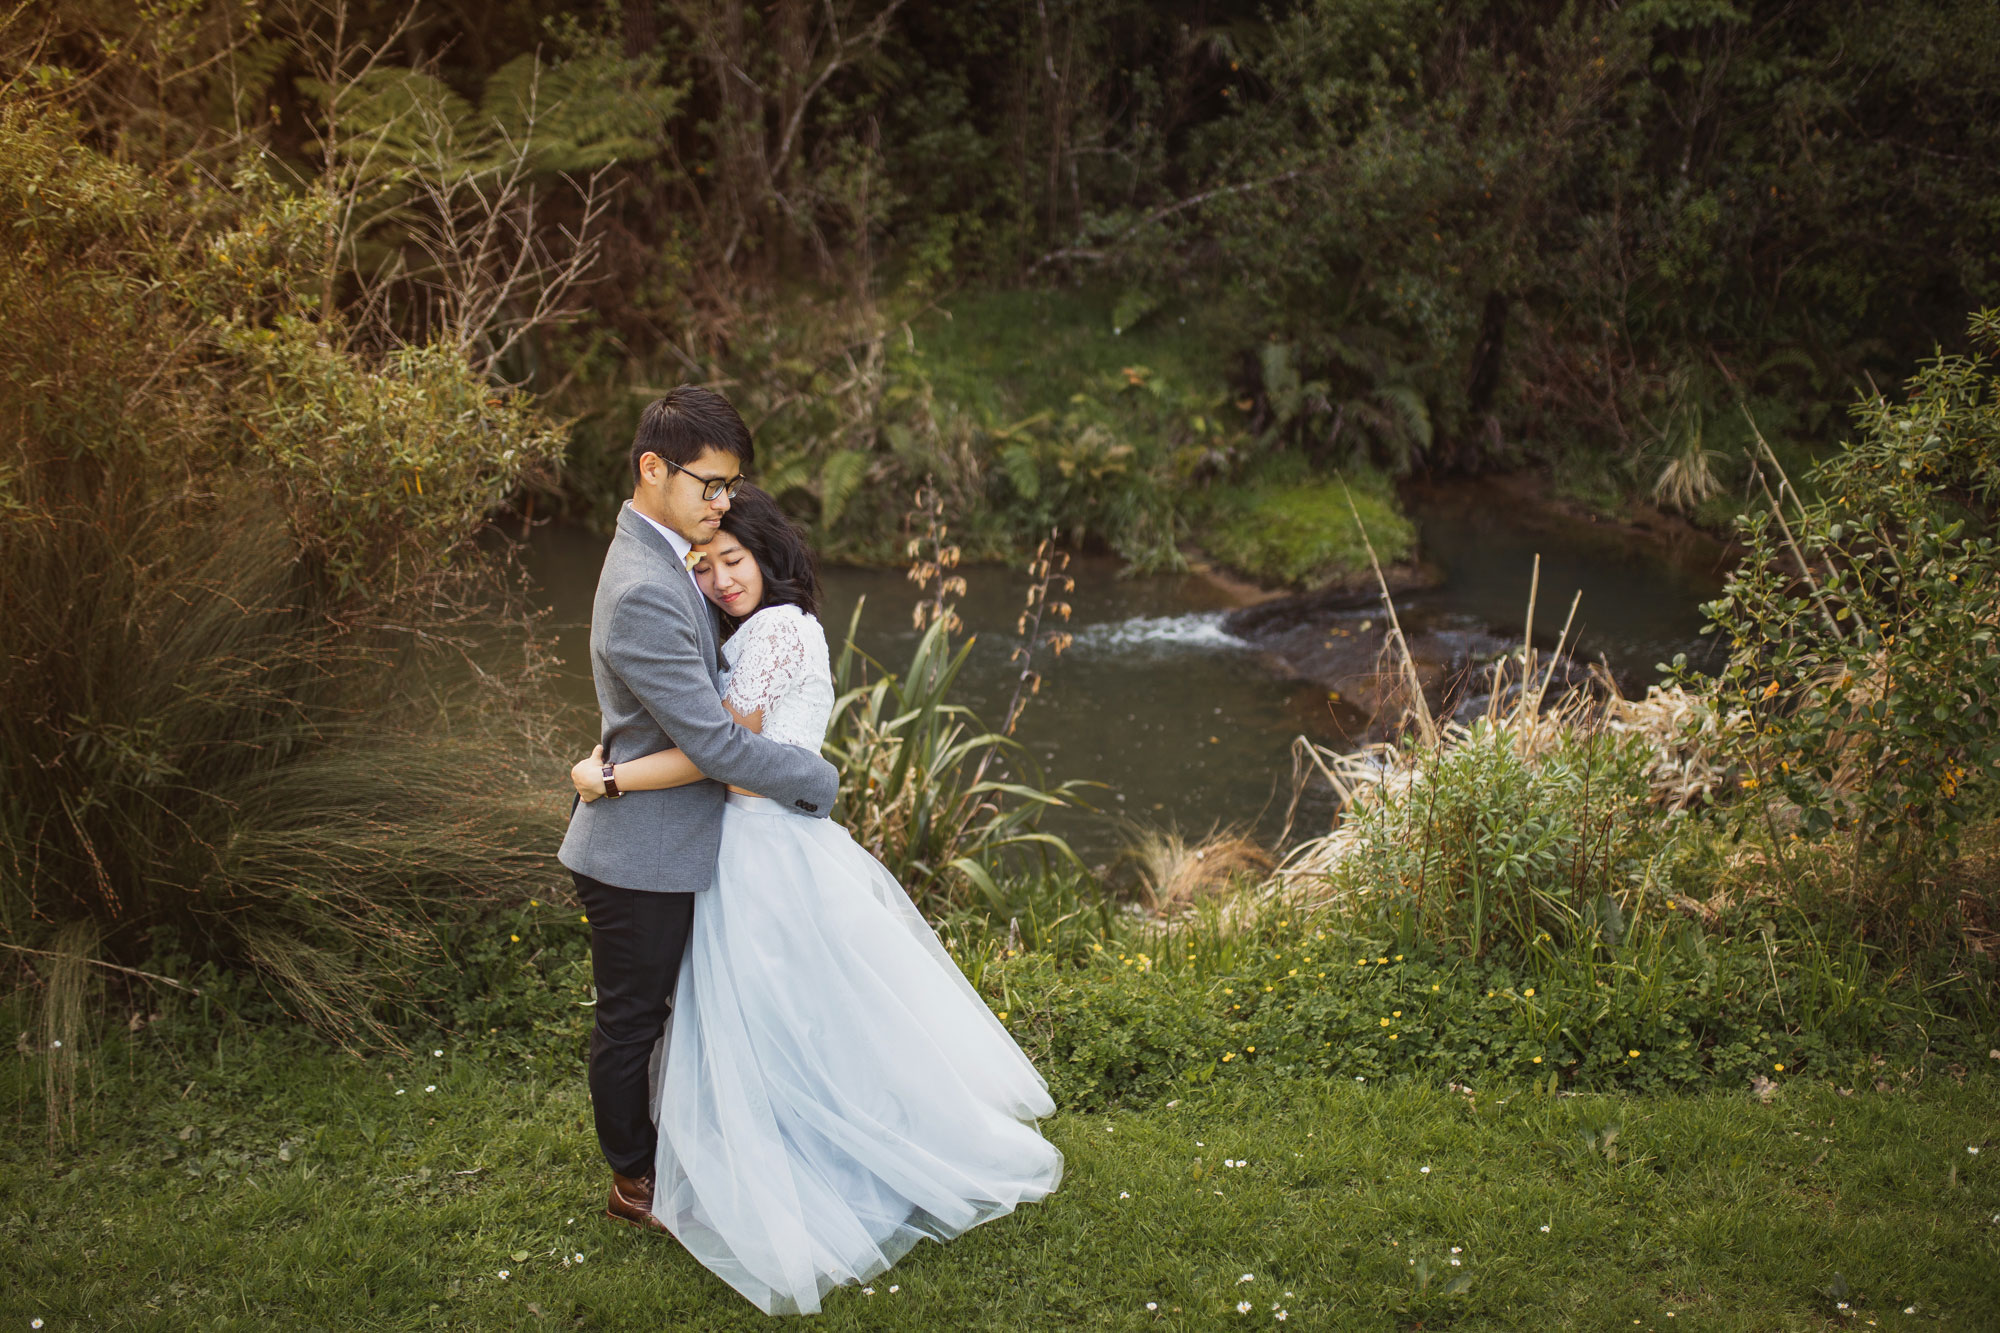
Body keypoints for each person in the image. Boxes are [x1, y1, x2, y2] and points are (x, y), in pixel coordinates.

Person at [570, 485, 1063, 1316]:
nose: (722, 579)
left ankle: (813, 1161)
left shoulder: (777, 630)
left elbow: (721, 753)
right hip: (753, 844)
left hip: (761, 849)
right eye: (706, 565)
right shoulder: (761, 629)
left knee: (779, 1017)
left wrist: (607, 776)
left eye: (735, 559)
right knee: (785, 1017)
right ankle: (766, 1148)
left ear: (771, 557)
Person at [557, 387, 842, 1241]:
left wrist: (609, 770)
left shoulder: (667, 558)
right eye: (710, 485)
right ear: (654, 469)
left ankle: (692, 1156)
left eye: (730, 488)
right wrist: (813, 778)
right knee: (632, 1022)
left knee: (675, 1018)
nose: (721, 504)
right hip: (639, 855)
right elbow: (719, 745)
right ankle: (634, 1179)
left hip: (678, 840)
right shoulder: (647, 583)